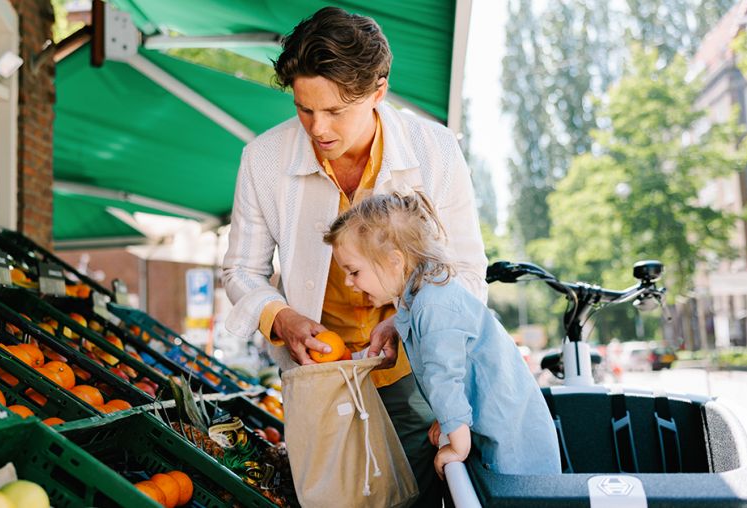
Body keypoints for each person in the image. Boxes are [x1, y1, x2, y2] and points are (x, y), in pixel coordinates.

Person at [221, 6, 488, 504]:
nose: (318, 128)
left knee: (420, 498)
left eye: (336, 111)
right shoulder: (263, 158)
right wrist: (281, 319)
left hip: (416, 379)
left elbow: (469, 272)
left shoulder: (436, 151)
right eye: (305, 108)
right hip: (319, 379)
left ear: (378, 91)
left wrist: (408, 323)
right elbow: (241, 269)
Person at [322, 192, 562, 476]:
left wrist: (457, 443)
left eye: (354, 271)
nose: (349, 283)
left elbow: (443, 377)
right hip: (492, 425)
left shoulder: (433, 305)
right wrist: (449, 421)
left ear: (394, 260)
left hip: (511, 438)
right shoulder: (419, 296)